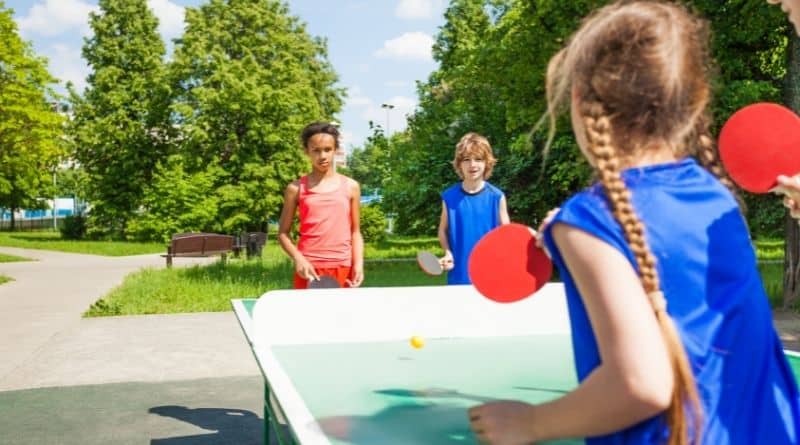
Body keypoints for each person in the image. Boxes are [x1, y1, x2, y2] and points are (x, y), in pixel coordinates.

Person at [468, 2, 800, 444]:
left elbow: (642, 384)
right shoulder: (717, 198)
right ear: (694, 101)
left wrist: (533, 423)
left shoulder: (587, 222)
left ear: (581, 102)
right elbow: (667, 258)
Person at [277, 122, 364, 289]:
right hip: (308, 268)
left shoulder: (351, 186)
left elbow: (355, 231)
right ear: (307, 151)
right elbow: (282, 233)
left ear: (335, 150)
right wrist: (298, 258)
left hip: (343, 266)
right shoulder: (295, 188)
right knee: (309, 316)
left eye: (327, 149)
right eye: (316, 150)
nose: (322, 156)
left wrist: (358, 264)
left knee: (343, 315)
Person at [438, 132, 510, 284]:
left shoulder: (497, 197)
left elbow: (507, 235)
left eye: (478, 159)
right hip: (459, 276)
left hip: (492, 276)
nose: (472, 165)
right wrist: (447, 253)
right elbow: (442, 230)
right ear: (459, 164)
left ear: (487, 163)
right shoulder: (449, 197)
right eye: (466, 160)